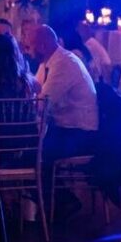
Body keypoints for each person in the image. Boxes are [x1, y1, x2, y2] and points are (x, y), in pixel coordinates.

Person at [29, 25, 98, 220]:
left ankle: (61, 203)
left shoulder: (64, 63)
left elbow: (43, 103)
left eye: (30, 45)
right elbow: (35, 92)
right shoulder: (48, 62)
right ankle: (51, 204)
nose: (27, 50)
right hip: (65, 129)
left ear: (42, 46)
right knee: (32, 150)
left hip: (81, 133)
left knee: (35, 154)